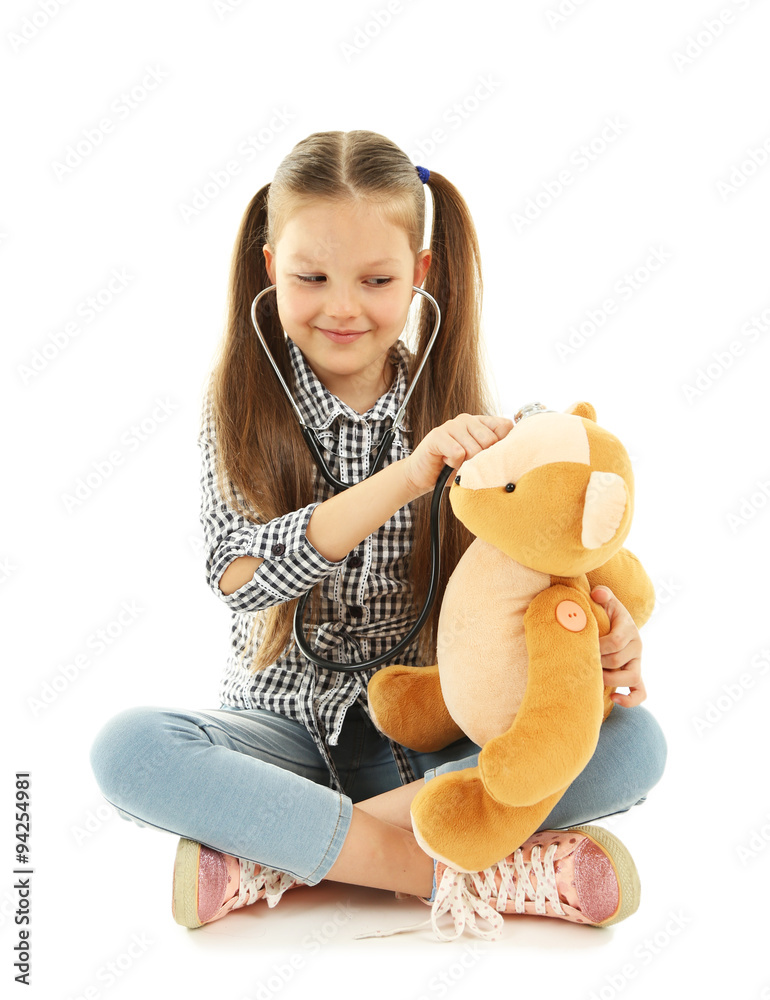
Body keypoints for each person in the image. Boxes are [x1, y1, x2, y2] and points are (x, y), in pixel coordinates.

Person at [89, 130, 666, 942]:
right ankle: (453, 864)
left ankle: (280, 851)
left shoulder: (472, 416)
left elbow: (562, 514)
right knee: (131, 750)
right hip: (283, 738)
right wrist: (406, 475)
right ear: (269, 268)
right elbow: (238, 576)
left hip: (437, 736)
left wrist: (610, 629)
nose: (343, 307)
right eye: (311, 278)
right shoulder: (237, 408)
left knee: (633, 743)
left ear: (420, 273)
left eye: (377, 280)